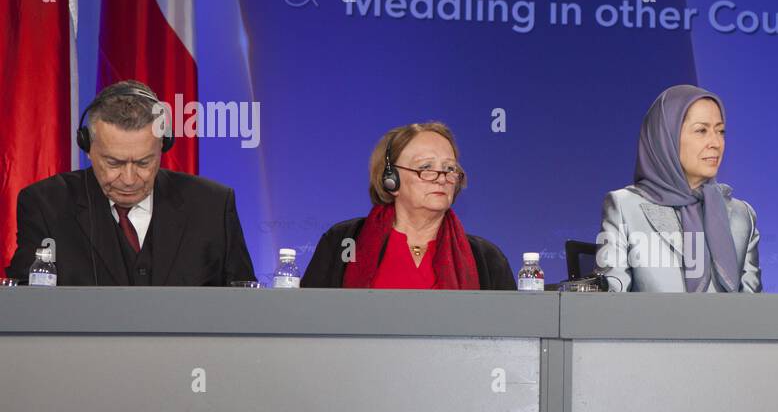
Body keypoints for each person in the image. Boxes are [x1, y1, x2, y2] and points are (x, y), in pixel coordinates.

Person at [5, 80, 255, 286]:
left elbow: (246, 306)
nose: (129, 179)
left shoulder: (212, 205)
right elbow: (24, 309)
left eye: (144, 163)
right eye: (113, 163)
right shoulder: (46, 204)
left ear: (163, 146)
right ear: (87, 147)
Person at [302, 121, 514, 289]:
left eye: (450, 168)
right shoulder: (344, 242)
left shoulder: (486, 259)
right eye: (426, 167)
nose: (442, 178)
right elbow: (307, 320)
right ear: (390, 179)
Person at [596, 84, 761, 292]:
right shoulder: (624, 207)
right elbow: (608, 306)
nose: (716, 143)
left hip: (727, 326)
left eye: (720, 131)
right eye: (701, 130)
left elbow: (754, 310)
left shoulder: (741, 215)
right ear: (666, 137)